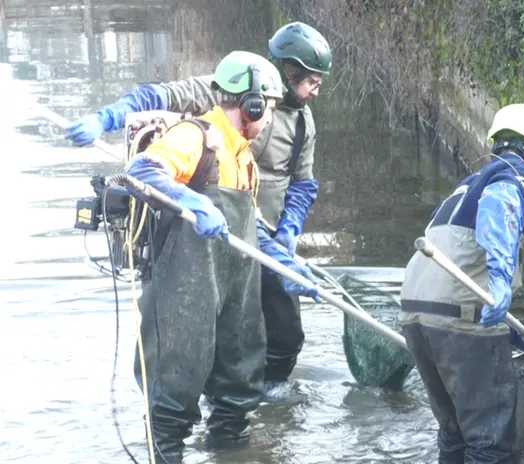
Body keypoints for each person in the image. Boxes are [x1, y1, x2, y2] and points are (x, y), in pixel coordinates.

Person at [65, 21, 333, 392]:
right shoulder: (230, 87)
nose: (316, 92)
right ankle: (205, 404)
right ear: (289, 73)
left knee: (284, 333)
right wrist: (106, 118)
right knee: (201, 339)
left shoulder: (303, 122)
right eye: (312, 82)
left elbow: (303, 184)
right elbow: (156, 98)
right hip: (206, 234)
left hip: (263, 240)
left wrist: (288, 231)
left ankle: (266, 405)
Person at [125, 50, 318, 463]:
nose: (268, 119)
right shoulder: (196, 137)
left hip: (235, 291)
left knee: (238, 389)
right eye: (267, 108)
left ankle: (231, 452)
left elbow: (249, 231)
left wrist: (285, 265)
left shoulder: (245, 159)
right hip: (185, 292)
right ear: (251, 104)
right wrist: (191, 201)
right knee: (173, 396)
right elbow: (142, 171)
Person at [399, 103, 524, 463]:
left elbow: (461, 258)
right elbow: (499, 209)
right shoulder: (519, 173)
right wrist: (500, 280)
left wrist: (511, 333)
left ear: (495, 143)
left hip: (416, 315)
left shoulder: (467, 186)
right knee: (490, 443)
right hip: (457, 318)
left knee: (454, 434)